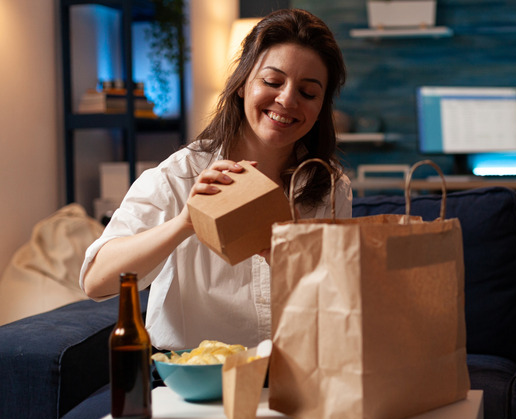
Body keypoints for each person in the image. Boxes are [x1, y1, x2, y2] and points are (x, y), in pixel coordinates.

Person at [80, 9, 351, 351]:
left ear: (321, 106)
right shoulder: (180, 174)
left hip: (295, 375)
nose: (287, 99)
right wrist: (185, 222)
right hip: (194, 381)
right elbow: (96, 282)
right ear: (241, 84)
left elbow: (339, 302)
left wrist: (290, 262)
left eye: (308, 93)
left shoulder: (330, 187)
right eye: (272, 82)